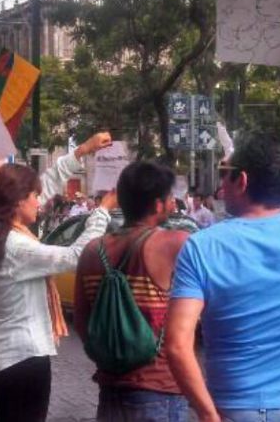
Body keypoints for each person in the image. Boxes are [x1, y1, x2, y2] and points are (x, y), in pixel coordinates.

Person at [164, 37, 280, 422]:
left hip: (234, 408)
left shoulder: (202, 247)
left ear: (241, 181)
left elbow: (177, 345)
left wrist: (208, 415)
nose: (220, 182)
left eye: (225, 172)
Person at [0, 132, 115, 422]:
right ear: (17, 202)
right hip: (22, 359)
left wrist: (81, 151)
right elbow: (75, 256)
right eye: (34, 197)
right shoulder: (16, 245)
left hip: (5, 357)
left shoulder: (3, 231)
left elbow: (45, 184)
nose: (40, 202)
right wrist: (102, 212)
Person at [74, 162, 191, 421]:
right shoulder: (175, 243)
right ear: (158, 205)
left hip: (110, 391)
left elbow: (82, 322)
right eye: (170, 197)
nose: (173, 203)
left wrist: (114, 357)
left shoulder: (92, 251)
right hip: (160, 392)